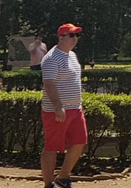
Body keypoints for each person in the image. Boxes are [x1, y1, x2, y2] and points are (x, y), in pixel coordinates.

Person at [40, 23, 88, 188]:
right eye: (72, 35)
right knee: (52, 147)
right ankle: (48, 184)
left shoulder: (72, 56)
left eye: (77, 35)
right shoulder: (51, 58)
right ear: (61, 37)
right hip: (57, 110)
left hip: (75, 109)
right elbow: (49, 84)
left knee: (79, 142)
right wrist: (58, 106)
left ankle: (63, 177)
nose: (75, 39)